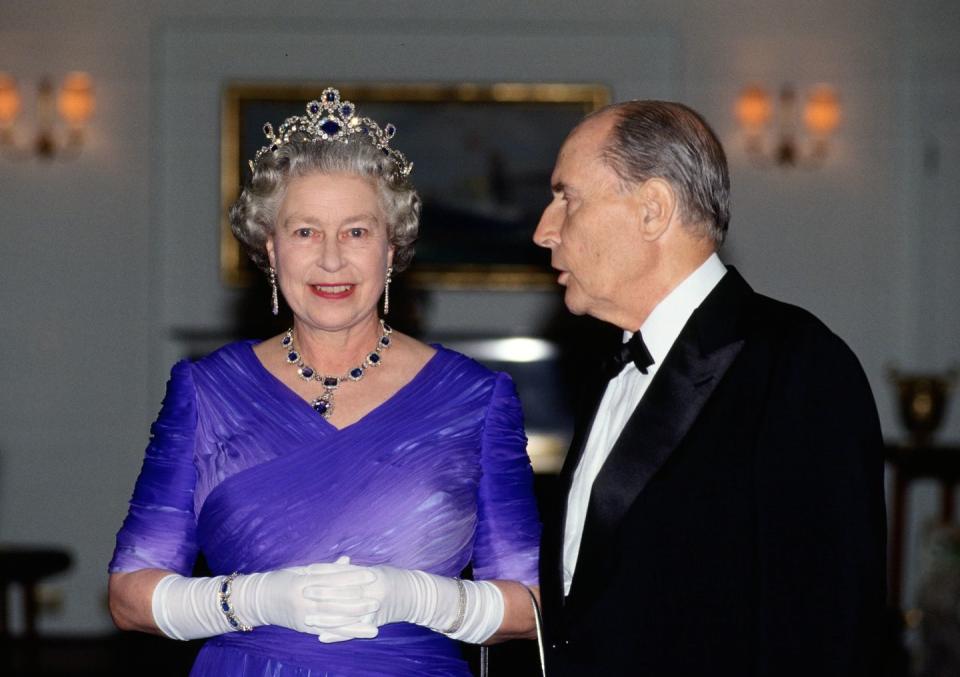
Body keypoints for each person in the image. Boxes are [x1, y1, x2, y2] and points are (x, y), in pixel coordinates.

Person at [108, 88, 540, 676]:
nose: (331, 260)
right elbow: (130, 595)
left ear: (391, 250)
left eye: (357, 232)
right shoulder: (204, 390)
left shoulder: (476, 398)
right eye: (305, 231)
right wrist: (251, 601)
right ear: (270, 248)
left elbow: (533, 606)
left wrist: (423, 598)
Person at [533, 100, 886, 676]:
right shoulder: (613, 365)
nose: (544, 230)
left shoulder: (799, 367)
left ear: (653, 210)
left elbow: (828, 630)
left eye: (566, 197)